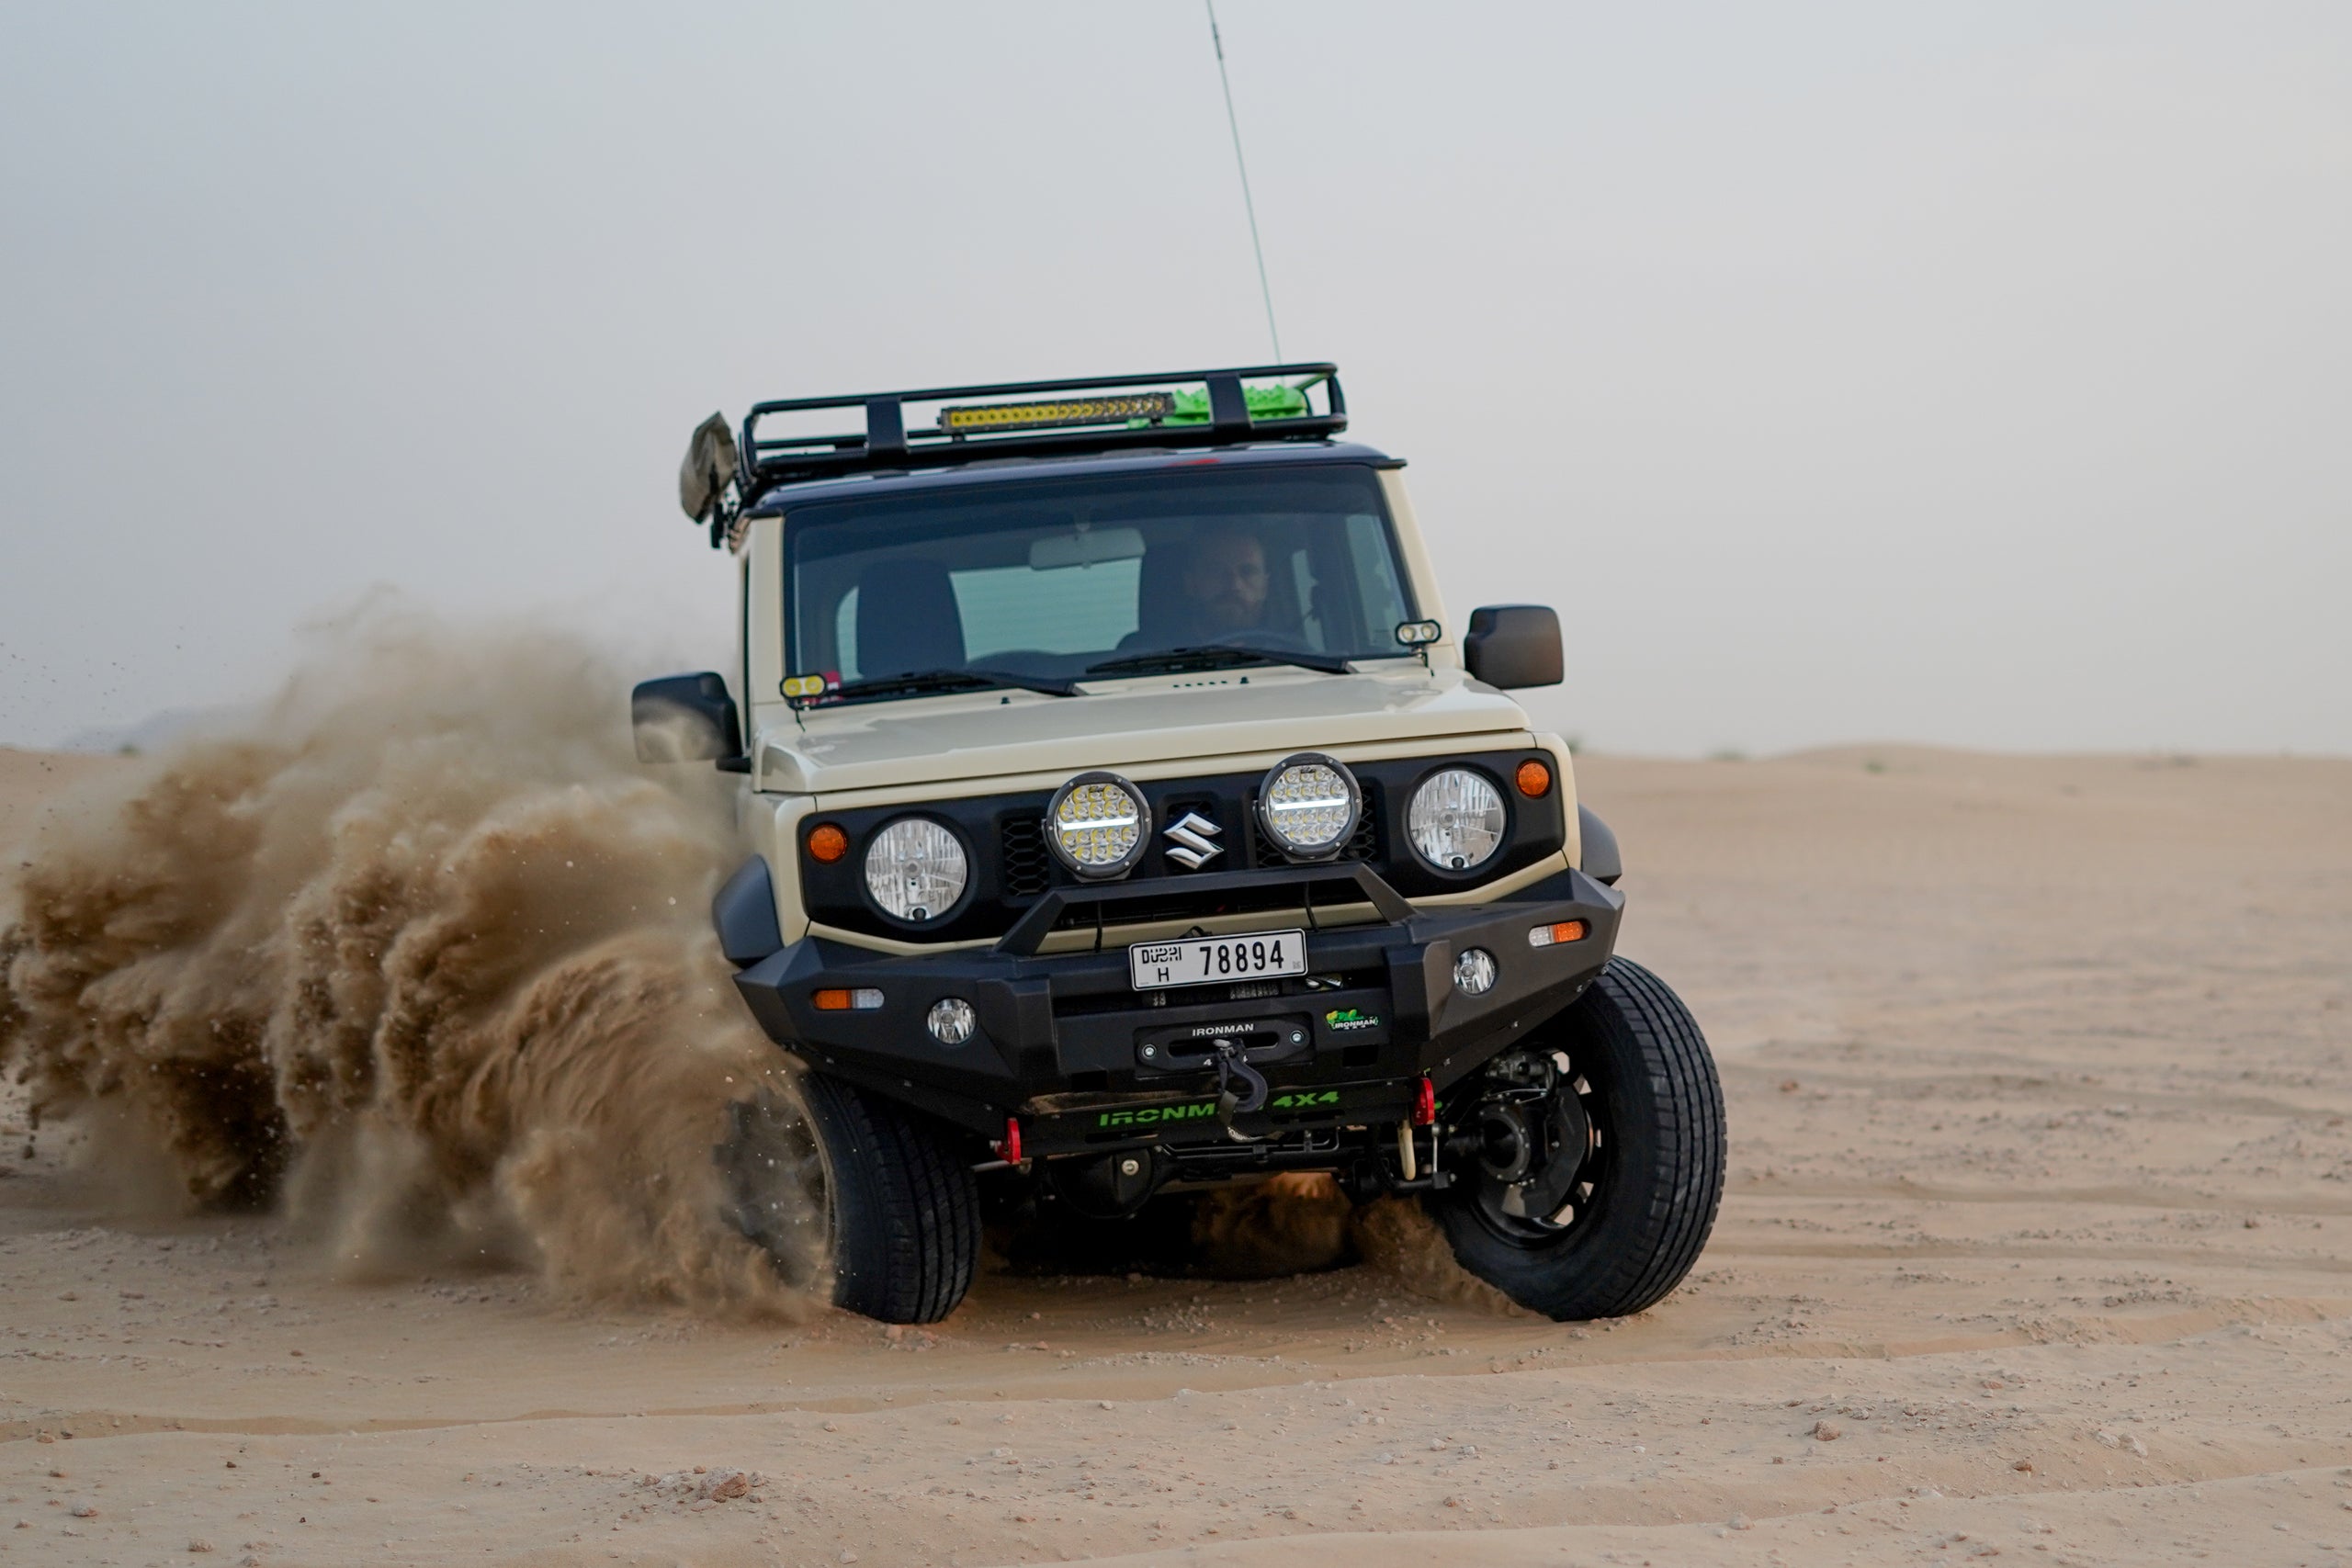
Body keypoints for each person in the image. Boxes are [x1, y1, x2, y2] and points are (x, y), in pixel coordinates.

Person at [1176, 524, 1269, 638]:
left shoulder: (1290, 651)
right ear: (1191, 584)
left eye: (1247, 572)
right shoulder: (1158, 651)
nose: (1235, 585)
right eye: (1217, 571)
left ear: (1264, 587)